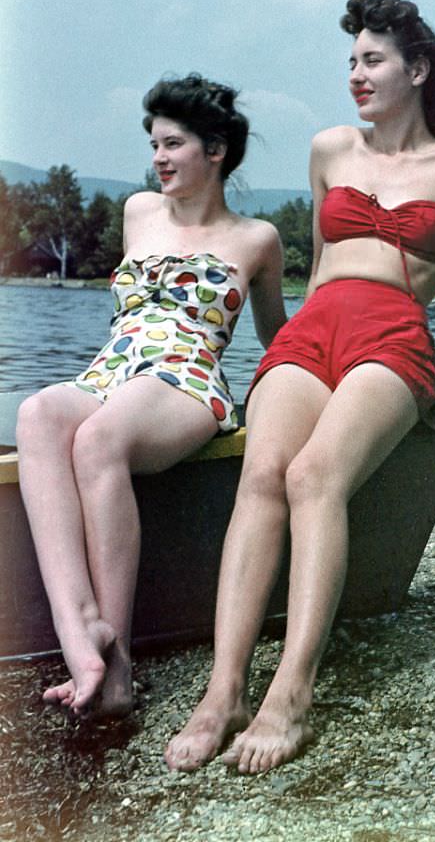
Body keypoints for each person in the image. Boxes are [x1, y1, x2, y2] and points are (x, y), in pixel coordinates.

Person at [164, 0, 435, 774]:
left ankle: (291, 692)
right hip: (316, 326)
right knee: (261, 471)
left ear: (416, 69)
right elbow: (324, 268)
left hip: (394, 332)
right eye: (351, 62)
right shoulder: (330, 149)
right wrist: (287, 346)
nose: (356, 75)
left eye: (372, 60)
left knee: (313, 475)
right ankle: (223, 690)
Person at [16, 74, 287, 720]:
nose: (158, 157)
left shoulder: (257, 240)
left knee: (100, 439)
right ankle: (81, 631)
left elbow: (278, 338)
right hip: (111, 370)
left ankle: (118, 670)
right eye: (154, 144)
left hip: (187, 382)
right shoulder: (139, 212)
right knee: (37, 415)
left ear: (215, 150)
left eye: (173, 143)